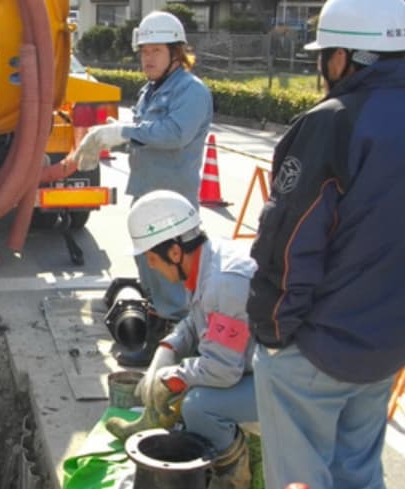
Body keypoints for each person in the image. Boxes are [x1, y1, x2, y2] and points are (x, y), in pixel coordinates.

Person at [247, 1, 405, 487]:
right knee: (358, 472)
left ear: (343, 58)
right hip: (384, 349)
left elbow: (289, 242)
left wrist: (271, 334)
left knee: (301, 479)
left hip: (317, 348)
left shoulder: (333, 122)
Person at [74, 11, 213, 367]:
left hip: (173, 203)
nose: (147, 58)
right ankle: (159, 334)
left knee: (172, 276)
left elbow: (174, 134)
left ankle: (174, 348)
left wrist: (122, 132)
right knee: (150, 269)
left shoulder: (191, 91)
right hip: (148, 195)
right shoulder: (151, 90)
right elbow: (142, 130)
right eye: (143, 51)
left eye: (155, 50)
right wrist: (114, 132)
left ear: (176, 53)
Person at [106, 190, 257, 489]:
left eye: (152, 257)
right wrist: (169, 347)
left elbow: (222, 371)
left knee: (198, 406)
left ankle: (234, 478)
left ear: (174, 252)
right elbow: (197, 320)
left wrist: (174, 378)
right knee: (188, 386)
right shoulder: (206, 262)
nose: (150, 266)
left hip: (287, 381)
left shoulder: (223, 283)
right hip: (255, 364)